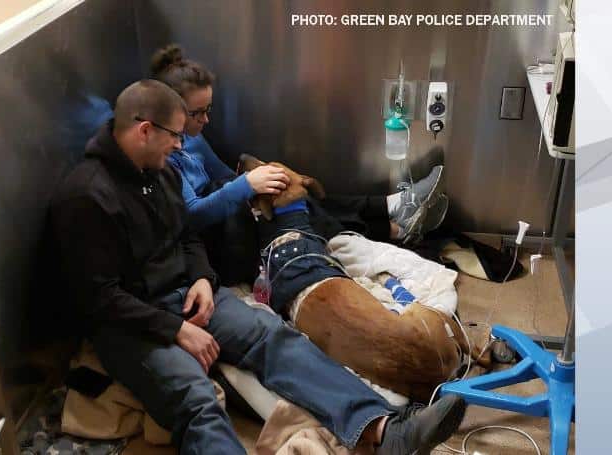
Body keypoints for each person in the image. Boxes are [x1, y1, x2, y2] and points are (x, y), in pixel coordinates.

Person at [48, 79, 466, 454]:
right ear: (144, 131)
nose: (180, 145)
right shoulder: (87, 197)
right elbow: (99, 299)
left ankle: (382, 428)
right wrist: (175, 330)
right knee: (198, 400)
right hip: (130, 323)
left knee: (273, 337)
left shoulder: (158, 173)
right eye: (175, 135)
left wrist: (201, 278)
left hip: (186, 296)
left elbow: (187, 234)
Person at [152, 44, 445, 284]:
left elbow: (226, 175)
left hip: (232, 217)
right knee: (298, 202)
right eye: (197, 114)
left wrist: (259, 182)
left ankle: (391, 215)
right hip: (218, 245)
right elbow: (193, 216)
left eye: (209, 110)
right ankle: (392, 216)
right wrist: (246, 186)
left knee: (291, 190)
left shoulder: (192, 138)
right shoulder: (163, 157)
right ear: (170, 111)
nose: (206, 120)